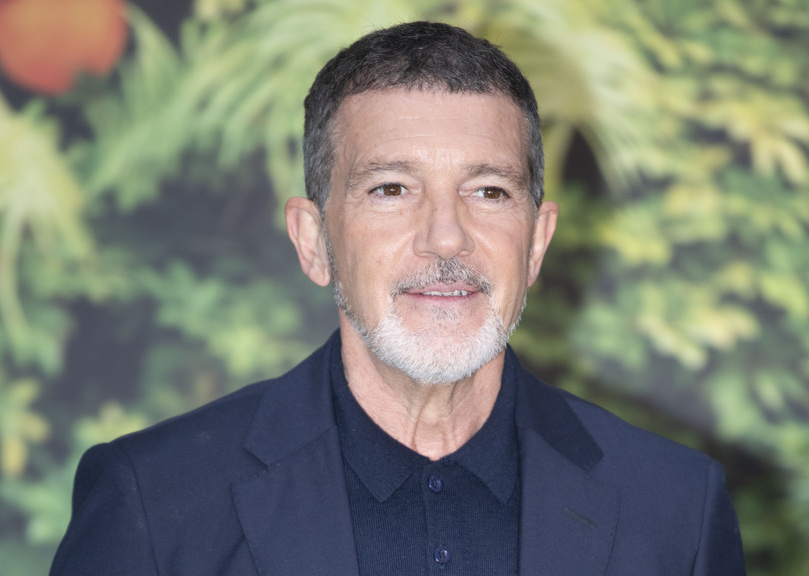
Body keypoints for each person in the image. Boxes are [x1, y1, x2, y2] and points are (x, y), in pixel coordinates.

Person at [50, 21, 746, 576]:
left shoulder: (674, 509)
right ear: (313, 239)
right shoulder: (156, 501)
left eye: (489, 191)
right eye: (391, 189)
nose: (447, 239)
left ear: (536, 242)